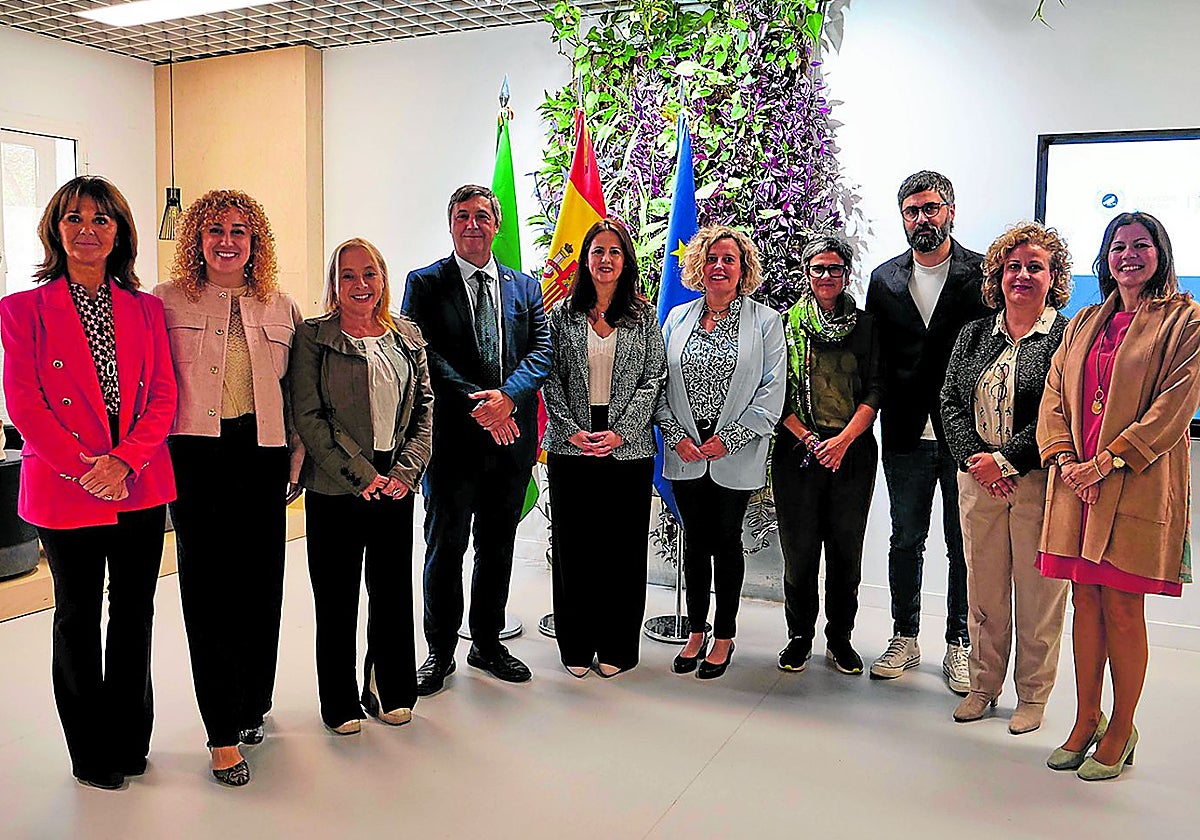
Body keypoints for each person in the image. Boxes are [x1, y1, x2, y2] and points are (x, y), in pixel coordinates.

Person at [0, 176, 176, 790]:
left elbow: (163, 396)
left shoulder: (146, 308)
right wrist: (86, 468)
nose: (87, 230)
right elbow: (24, 403)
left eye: (101, 220)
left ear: (118, 231)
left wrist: (123, 461)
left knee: (135, 612)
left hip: (140, 482)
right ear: (56, 228)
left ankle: (130, 738)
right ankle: (88, 748)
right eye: (74, 219)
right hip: (62, 486)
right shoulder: (22, 309)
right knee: (77, 615)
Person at [1037, 212, 1200, 780]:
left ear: (1161, 253)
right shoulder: (1084, 320)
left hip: (1136, 481)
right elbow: (1054, 392)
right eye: (1117, 246)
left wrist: (1107, 459)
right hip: (1077, 484)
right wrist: (1063, 457)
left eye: (1141, 245)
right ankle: (1086, 719)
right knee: (1085, 605)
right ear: (1104, 257)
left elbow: (1173, 407)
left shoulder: (1185, 321)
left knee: (1124, 609)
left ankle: (1123, 728)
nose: (1128, 255)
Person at [155, 189, 303, 786]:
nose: (227, 241)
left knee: (262, 588)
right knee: (209, 593)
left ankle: (251, 704)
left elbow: (299, 389)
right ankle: (219, 733)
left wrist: (295, 454)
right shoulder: (165, 301)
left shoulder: (280, 304)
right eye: (215, 230)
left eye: (240, 231)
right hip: (196, 458)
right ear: (197, 238)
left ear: (255, 243)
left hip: (262, 456)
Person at [401, 184, 552, 694]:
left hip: (511, 440)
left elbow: (542, 349)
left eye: (482, 216)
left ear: (497, 224)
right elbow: (422, 353)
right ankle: (439, 652)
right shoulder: (424, 283)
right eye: (462, 216)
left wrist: (507, 398)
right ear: (450, 224)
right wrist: (482, 406)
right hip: (452, 444)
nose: (472, 224)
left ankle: (487, 643)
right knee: (445, 546)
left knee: (498, 545)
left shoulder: (525, 287)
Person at [290, 238, 433, 734]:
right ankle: (340, 701)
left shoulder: (407, 336)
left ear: (383, 278)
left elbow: (424, 410)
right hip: (335, 486)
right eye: (348, 275)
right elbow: (309, 417)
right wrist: (362, 474)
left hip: (395, 482)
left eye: (369, 274)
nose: (360, 285)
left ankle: (390, 687)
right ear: (334, 283)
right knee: (337, 597)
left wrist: (405, 471)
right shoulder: (313, 337)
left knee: (392, 592)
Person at [940, 222, 1071, 735]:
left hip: (1038, 482)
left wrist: (1009, 460)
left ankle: (1033, 696)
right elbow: (950, 400)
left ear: (1053, 276)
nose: (1022, 275)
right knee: (984, 590)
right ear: (997, 275)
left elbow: (1061, 412)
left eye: (1034, 267)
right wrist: (977, 459)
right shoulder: (974, 334)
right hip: (978, 482)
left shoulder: (1066, 336)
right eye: (1012, 266)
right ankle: (983, 686)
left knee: (1039, 595)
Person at [865, 170, 990, 693]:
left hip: (965, 434)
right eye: (913, 211)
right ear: (903, 218)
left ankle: (959, 644)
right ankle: (904, 635)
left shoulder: (984, 272)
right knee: (905, 539)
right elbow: (875, 359)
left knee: (961, 543)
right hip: (903, 435)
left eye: (931, 208)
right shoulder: (884, 278)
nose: (922, 219)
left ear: (951, 211)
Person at [658, 225, 785, 679]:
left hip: (735, 452)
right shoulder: (676, 318)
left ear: (743, 268)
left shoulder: (766, 321)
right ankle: (696, 630)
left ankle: (725, 635)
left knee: (727, 544)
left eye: (729, 259)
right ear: (698, 266)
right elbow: (659, 384)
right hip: (686, 452)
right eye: (711, 258)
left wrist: (726, 439)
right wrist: (676, 435)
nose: (719, 266)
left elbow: (772, 394)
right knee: (694, 541)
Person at [542, 219, 666, 677]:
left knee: (621, 549)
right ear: (585, 259)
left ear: (626, 260)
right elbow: (549, 376)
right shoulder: (560, 315)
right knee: (574, 547)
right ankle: (575, 646)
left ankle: (617, 646)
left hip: (626, 447)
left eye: (615, 251)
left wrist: (623, 432)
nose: (606, 259)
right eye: (598, 251)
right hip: (571, 443)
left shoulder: (644, 315)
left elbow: (654, 379)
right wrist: (571, 428)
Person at [773, 234, 882, 676]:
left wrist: (842, 442)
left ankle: (840, 638)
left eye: (834, 269)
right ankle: (799, 638)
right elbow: (773, 390)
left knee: (844, 555)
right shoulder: (783, 325)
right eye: (817, 268)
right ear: (806, 273)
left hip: (851, 455)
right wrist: (809, 438)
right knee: (799, 554)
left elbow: (876, 388)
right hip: (798, 453)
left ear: (846, 274)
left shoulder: (868, 326)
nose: (826, 276)